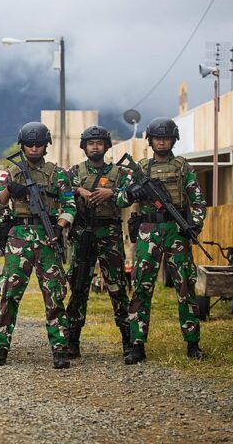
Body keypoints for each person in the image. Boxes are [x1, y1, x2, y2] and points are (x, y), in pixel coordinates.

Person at [0, 122, 76, 369]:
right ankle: (0, 347)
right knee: (9, 293)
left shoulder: (57, 173)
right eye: (30, 144)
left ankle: (60, 349)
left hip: (48, 236)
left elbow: (69, 205)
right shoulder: (10, 173)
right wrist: (9, 191)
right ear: (22, 146)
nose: (34, 148)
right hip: (19, 236)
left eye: (39, 144)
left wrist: (59, 227)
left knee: (54, 295)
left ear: (46, 145)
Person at [124, 117, 207, 364]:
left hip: (176, 230)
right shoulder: (140, 168)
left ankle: (193, 343)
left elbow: (199, 201)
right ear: (150, 140)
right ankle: (137, 345)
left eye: (166, 137)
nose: (162, 141)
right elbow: (121, 199)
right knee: (141, 287)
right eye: (157, 138)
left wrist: (195, 224)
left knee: (185, 287)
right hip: (148, 229)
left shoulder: (183, 167)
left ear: (173, 140)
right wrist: (132, 192)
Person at [66, 125, 133, 359]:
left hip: (109, 233)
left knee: (117, 286)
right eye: (91, 143)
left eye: (99, 143)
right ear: (84, 147)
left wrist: (111, 193)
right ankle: (72, 340)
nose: (95, 146)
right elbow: (62, 192)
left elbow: (128, 197)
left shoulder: (120, 173)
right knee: (78, 286)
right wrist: (79, 191)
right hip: (83, 233)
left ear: (106, 146)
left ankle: (128, 340)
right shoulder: (75, 171)